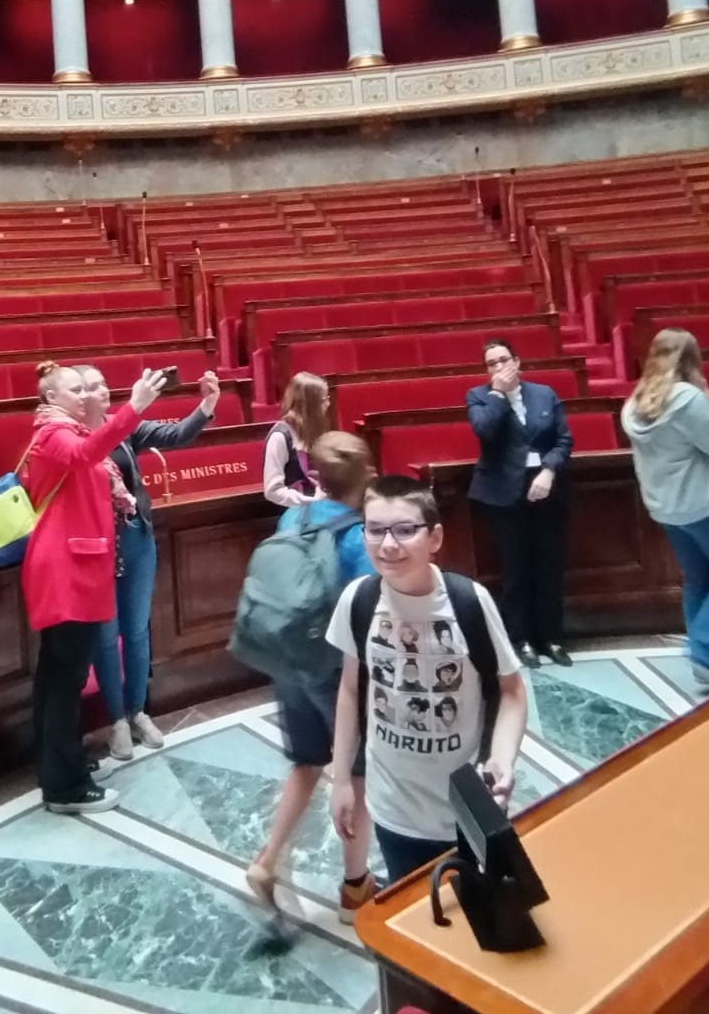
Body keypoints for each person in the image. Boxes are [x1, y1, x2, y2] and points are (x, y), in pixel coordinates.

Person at [327, 476, 527, 883]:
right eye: (376, 530)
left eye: (404, 530)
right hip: (392, 808)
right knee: (415, 910)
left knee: (478, 918)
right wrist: (342, 779)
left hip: (466, 805)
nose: (388, 545)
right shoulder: (358, 601)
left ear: (435, 537)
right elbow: (351, 690)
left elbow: (512, 690)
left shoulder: (469, 602)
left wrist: (502, 758)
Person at [20, 360, 169, 815]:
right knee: (64, 681)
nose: (85, 396)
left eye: (88, 389)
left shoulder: (71, 434)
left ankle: (60, 766)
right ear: (51, 399)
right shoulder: (53, 435)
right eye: (75, 391)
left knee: (56, 678)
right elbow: (86, 456)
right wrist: (134, 409)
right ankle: (65, 788)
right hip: (66, 572)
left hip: (73, 568)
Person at [246, 431, 377, 924]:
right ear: (365, 474)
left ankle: (268, 860)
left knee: (305, 765)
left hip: (290, 661)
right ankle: (356, 888)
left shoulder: (292, 515)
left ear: (317, 475)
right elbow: (371, 608)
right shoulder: (359, 534)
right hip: (335, 673)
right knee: (356, 778)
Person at [80, 364, 222, 761]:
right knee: (106, 638)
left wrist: (207, 404)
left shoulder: (123, 428)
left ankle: (139, 711)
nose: (103, 390)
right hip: (96, 548)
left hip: (136, 538)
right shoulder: (73, 438)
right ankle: (117, 721)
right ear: (76, 396)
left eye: (105, 383)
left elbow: (175, 434)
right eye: (92, 387)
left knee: (138, 628)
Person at [621, 329, 709, 694]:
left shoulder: (635, 401)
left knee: (696, 578)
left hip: (666, 508)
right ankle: (705, 652)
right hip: (700, 504)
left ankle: (708, 663)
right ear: (691, 359)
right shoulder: (689, 398)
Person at [467, 337, 576, 668]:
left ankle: (551, 638)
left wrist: (549, 470)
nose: (499, 367)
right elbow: (484, 431)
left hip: (546, 490)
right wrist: (500, 394)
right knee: (515, 570)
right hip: (504, 495)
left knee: (548, 566)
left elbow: (564, 439)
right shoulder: (479, 397)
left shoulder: (544, 393)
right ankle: (521, 638)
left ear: (518, 361)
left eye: (504, 360)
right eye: (492, 363)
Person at [264, 372, 328, 508]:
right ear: (310, 405)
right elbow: (272, 491)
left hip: (319, 507)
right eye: (324, 399)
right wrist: (309, 501)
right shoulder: (280, 437)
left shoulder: (314, 430)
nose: (328, 404)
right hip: (295, 514)